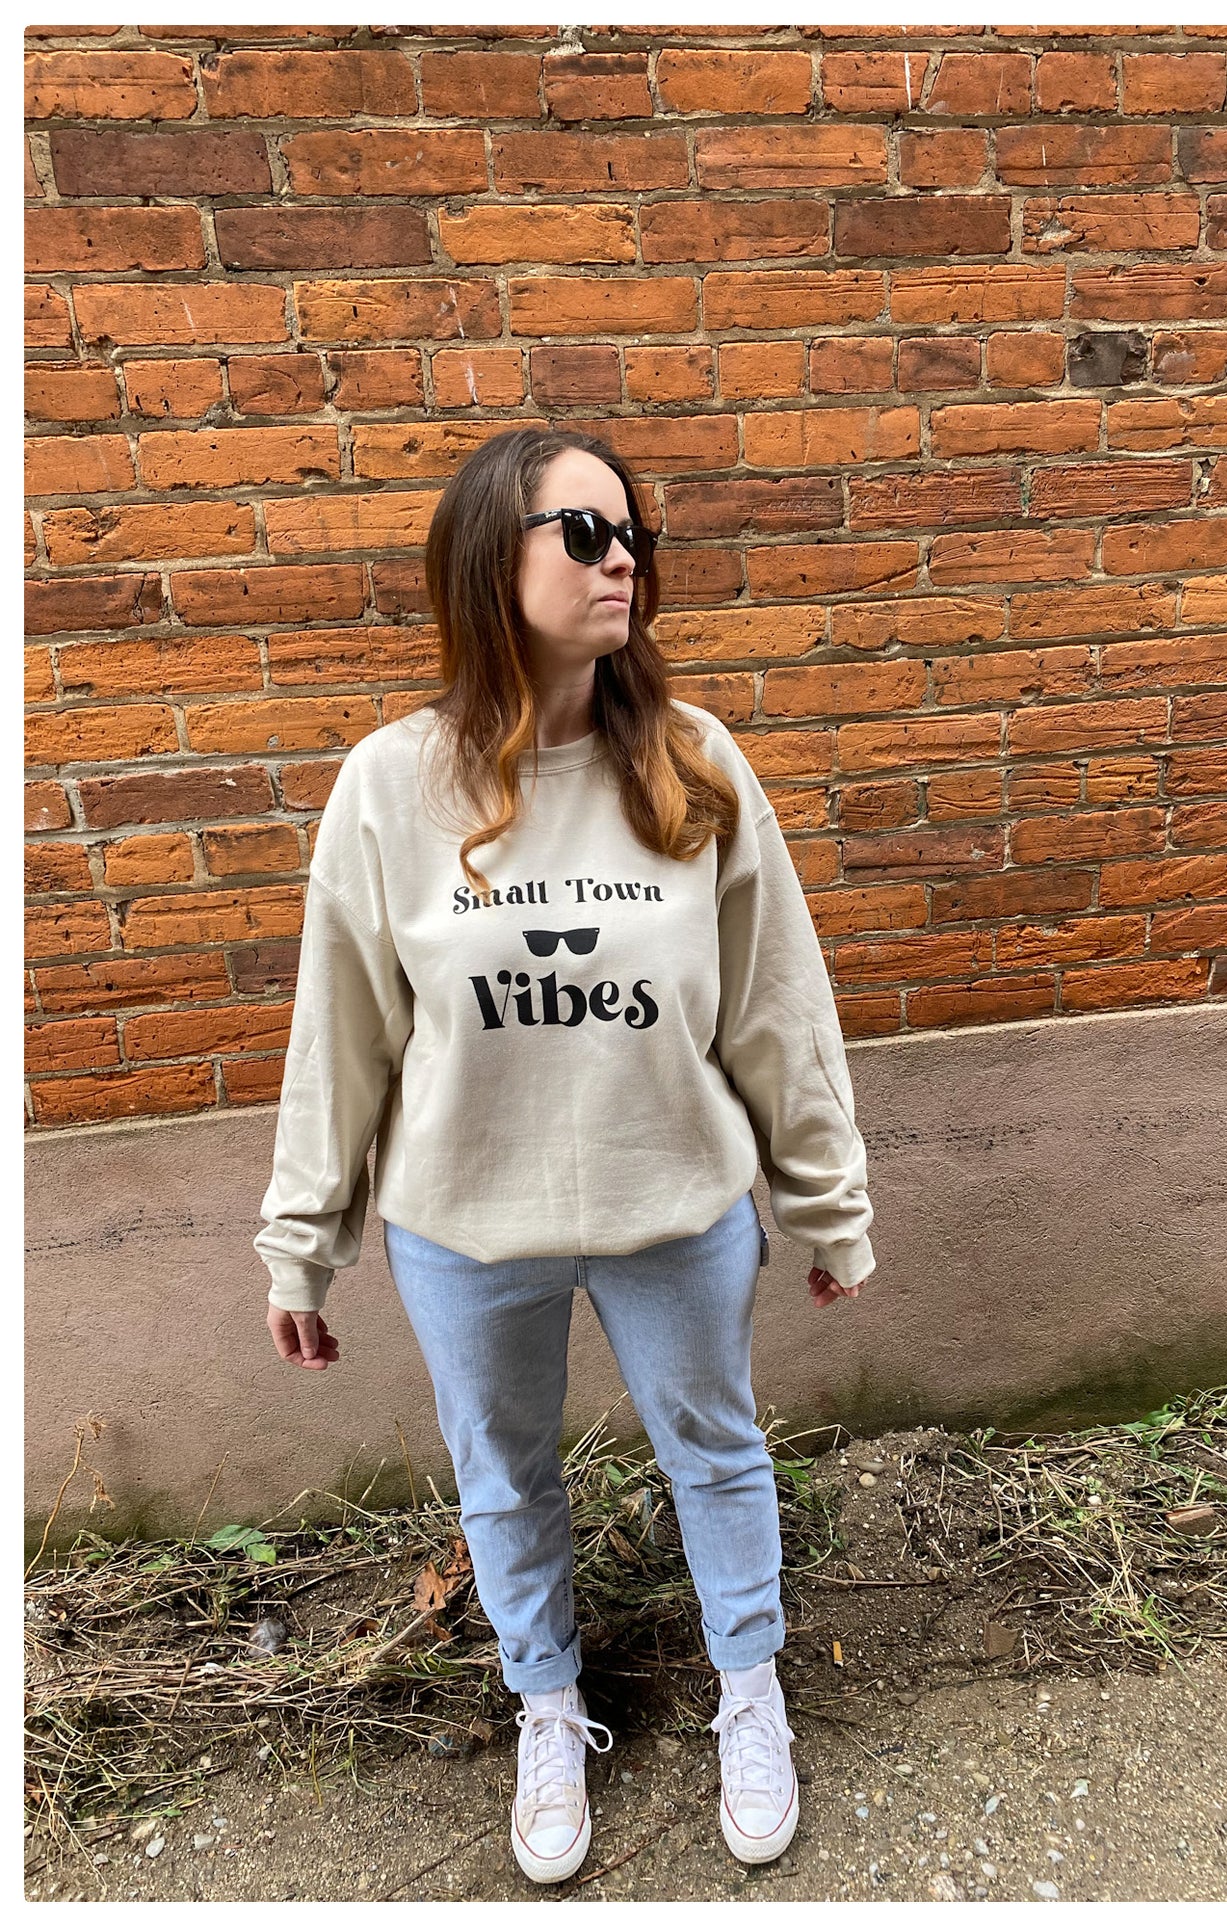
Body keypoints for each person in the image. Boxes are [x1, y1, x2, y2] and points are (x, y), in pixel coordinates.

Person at [256, 424, 877, 1885]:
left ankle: (749, 1689)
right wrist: (304, 1238)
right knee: (505, 1478)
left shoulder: (690, 759)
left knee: (715, 1455)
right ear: (492, 560)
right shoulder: (389, 787)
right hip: (466, 1226)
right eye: (582, 534)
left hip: (677, 1205)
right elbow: (336, 1032)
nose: (623, 562)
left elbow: (777, 1002)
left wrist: (826, 1202)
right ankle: (547, 1704)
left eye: (632, 535)